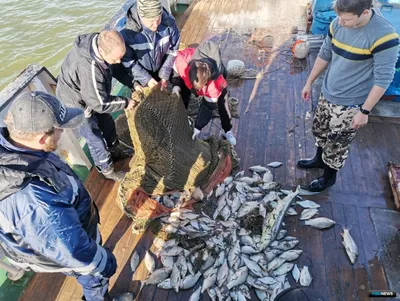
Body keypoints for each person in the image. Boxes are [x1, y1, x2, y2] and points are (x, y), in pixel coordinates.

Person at [0, 91, 117, 301]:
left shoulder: (20, 149)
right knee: (94, 278)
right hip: (67, 247)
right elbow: (74, 252)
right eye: (59, 128)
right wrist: (105, 262)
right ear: (42, 138)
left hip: (59, 234)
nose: (63, 131)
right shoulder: (33, 200)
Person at [298, 0, 399, 192]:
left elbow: (383, 79)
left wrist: (364, 111)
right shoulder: (337, 23)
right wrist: (309, 82)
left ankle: (328, 178)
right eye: (339, 17)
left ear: (365, 13)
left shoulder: (385, 37)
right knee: (321, 130)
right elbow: (325, 53)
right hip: (328, 92)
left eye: (346, 19)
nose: (340, 23)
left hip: (351, 104)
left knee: (337, 143)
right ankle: (319, 160)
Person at [56, 29, 135, 182]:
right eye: (115, 60)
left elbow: (115, 71)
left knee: (107, 123)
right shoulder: (90, 68)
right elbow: (99, 104)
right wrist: (126, 102)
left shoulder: (103, 45)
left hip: (92, 94)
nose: (118, 62)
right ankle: (106, 169)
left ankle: (115, 150)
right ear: (101, 52)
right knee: (94, 137)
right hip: (75, 103)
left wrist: (132, 83)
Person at [170, 40, 237, 146]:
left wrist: (198, 127)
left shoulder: (215, 85)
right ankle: (183, 118)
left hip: (217, 82)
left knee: (223, 105)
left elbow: (208, 108)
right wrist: (176, 85)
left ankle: (227, 131)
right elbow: (176, 71)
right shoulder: (183, 62)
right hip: (189, 70)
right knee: (182, 94)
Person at [118, 0, 180, 91]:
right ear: (141, 16)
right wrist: (146, 79)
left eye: (158, 18)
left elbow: (173, 50)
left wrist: (164, 73)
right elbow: (128, 61)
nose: (155, 25)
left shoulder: (170, 23)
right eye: (151, 21)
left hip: (162, 66)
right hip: (140, 74)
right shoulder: (127, 33)